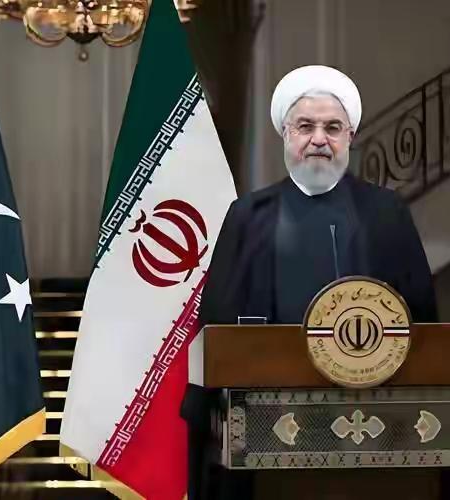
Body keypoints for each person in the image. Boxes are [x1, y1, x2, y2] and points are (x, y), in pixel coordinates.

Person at [184, 65, 437, 500]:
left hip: (375, 424)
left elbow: (422, 320)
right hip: (266, 419)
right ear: (286, 135)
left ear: (349, 137)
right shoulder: (249, 216)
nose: (319, 139)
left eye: (332, 128)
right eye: (305, 127)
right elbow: (216, 323)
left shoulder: (386, 213)